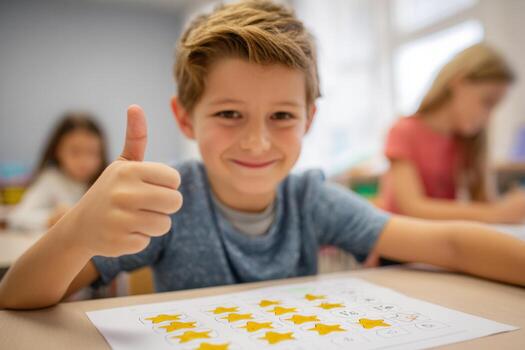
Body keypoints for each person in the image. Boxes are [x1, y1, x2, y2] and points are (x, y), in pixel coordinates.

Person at [0, 0, 524, 310]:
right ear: (185, 118)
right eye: (229, 115)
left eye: (282, 116)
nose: (257, 142)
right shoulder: (167, 203)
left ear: (309, 120)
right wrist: (77, 232)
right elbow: (17, 296)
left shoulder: (311, 198)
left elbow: (451, 244)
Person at [380, 43, 525, 223]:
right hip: (400, 244)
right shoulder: (403, 131)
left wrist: (508, 209)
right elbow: (412, 207)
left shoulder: (468, 140)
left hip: (443, 245)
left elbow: (485, 203)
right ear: (459, 83)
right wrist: (496, 213)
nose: (488, 118)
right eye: (487, 102)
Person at [7, 113, 108, 230]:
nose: (84, 161)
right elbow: (17, 217)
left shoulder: (106, 181)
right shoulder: (51, 179)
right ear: (58, 151)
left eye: (92, 152)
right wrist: (50, 218)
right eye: (75, 152)